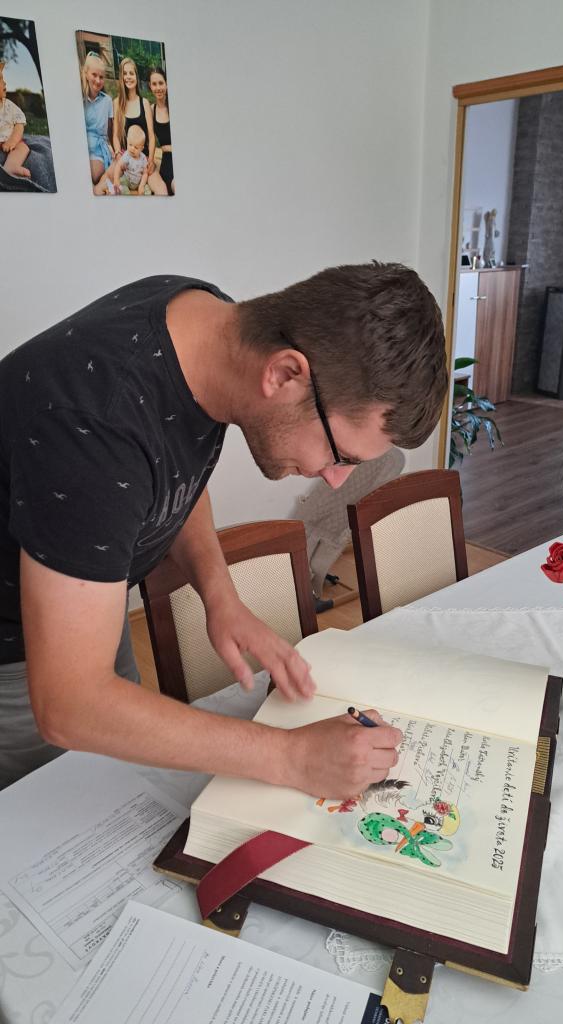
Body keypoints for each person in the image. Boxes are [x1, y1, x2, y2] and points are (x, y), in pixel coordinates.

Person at [0, 264, 447, 795]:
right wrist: (291, 758)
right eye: (340, 455)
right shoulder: (95, 428)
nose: (334, 479)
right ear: (284, 374)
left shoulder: (206, 329)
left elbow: (170, 469)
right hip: (15, 655)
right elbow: (70, 704)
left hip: (88, 600)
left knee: (115, 780)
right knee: (55, 819)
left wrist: (221, 596)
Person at [113, 58, 167, 196]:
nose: (128, 77)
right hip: (125, 160)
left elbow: (151, 136)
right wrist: (118, 154)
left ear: (136, 76)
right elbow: (115, 136)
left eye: (131, 73)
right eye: (125, 73)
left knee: (162, 189)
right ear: (121, 77)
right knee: (103, 185)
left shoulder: (144, 103)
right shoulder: (117, 103)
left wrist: (150, 160)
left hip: (143, 161)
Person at [80, 53, 114, 187]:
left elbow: (110, 130)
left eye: (101, 77)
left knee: (93, 175)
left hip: (98, 148)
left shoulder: (107, 101)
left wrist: (113, 149)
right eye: (94, 75)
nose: (98, 80)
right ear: (86, 74)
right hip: (81, 145)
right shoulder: (80, 99)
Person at [94, 124, 150, 195]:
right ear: (127, 141)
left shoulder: (143, 158)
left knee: (147, 189)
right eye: (130, 145)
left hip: (138, 181)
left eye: (136, 147)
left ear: (141, 148)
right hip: (127, 180)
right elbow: (118, 166)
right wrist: (116, 179)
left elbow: (145, 173)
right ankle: (123, 192)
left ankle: (141, 191)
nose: (132, 149)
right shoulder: (127, 155)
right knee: (120, 186)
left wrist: (142, 185)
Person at [0, 63, 30, 179]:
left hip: (11, 140)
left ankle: (11, 166)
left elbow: (19, 124)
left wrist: (12, 141)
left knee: (23, 148)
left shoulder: (9, 106)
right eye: (0, 79)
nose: (5, 82)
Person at [149, 67, 174, 195]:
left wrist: (169, 148)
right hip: (167, 161)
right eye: (154, 84)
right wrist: (150, 160)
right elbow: (150, 138)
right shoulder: (151, 110)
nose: (158, 88)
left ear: (166, 84)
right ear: (150, 86)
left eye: (161, 83)